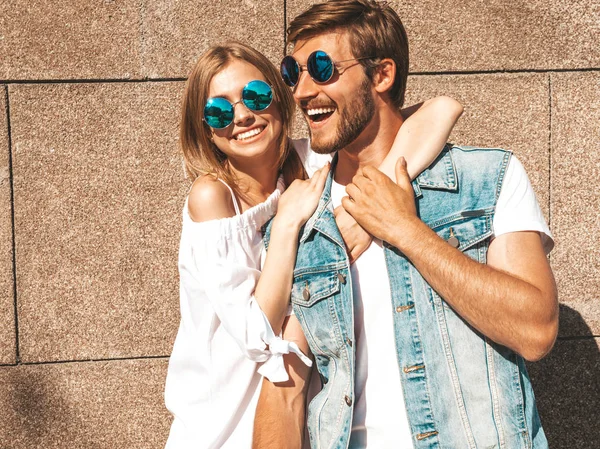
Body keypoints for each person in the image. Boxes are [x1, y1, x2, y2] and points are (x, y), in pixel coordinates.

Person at [253, 1, 559, 449]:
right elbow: (286, 388)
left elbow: (536, 330)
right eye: (292, 71)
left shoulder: (485, 180)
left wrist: (406, 230)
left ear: (382, 75)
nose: (301, 90)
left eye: (321, 68)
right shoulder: (297, 220)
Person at [163, 41, 464, 449]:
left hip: (287, 424)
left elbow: (443, 109)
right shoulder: (212, 197)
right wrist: (286, 223)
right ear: (205, 129)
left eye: (256, 96)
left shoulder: (308, 163)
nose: (243, 116)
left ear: (278, 99)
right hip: (218, 431)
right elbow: (257, 336)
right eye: (219, 110)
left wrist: (363, 219)